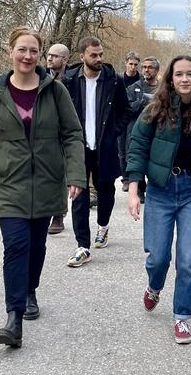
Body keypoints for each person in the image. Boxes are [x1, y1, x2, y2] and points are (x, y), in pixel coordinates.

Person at [0, 26, 86, 347]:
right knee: (15, 246)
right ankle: (13, 317)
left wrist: (75, 174)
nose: (27, 56)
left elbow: (72, 134)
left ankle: (31, 288)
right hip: (10, 183)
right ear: (10, 52)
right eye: (22, 49)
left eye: (33, 51)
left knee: (36, 246)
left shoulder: (55, 90)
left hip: (47, 181)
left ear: (40, 55)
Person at [127, 55, 191, 344]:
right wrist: (134, 191)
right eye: (179, 74)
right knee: (158, 257)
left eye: (190, 74)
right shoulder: (154, 109)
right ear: (170, 79)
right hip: (160, 190)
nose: (185, 79)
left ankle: (182, 317)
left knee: (187, 261)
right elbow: (137, 147)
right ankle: (154, 286)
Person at [62, 37, 131, 267]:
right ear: (82, 56)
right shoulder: (69, 80)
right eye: (93, 55)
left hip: (105, 147)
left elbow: (126, 111)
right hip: (79, 148)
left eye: (101, 54)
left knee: (105, 192)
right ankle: (83, 246)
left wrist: (113, 132)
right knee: (78, 196)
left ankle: (103, 225)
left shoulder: (113, 80)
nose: (99, 58)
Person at [126, 56, 160, 200]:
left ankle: (154, 188)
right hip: (138, 129)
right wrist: (142, 102)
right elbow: (127, 108)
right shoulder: (134, 88)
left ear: (157, 70)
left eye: (150, 67)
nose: (146, 70)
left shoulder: (164, 88)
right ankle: (139, 189)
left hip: (158, 130)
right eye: (144, 67)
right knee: (138, 158)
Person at [45, 43, 71, 234]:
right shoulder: (40, 78)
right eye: (48, 55)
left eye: (55, 56)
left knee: (59, 174)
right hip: (45, 133)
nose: (50, 58)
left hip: (65, 133)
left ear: (65, 59)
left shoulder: (71, 80)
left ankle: (58, 215)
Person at [119, 51, 142, 192]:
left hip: (137, 118)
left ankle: (138, 181)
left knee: (135, 149)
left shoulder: (141, 81)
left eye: (135, 64)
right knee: (122, 149)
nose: (133, 67)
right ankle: (125, 178)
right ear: (126, 63)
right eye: (131, 64)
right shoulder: (119, 79)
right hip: (122, 119)